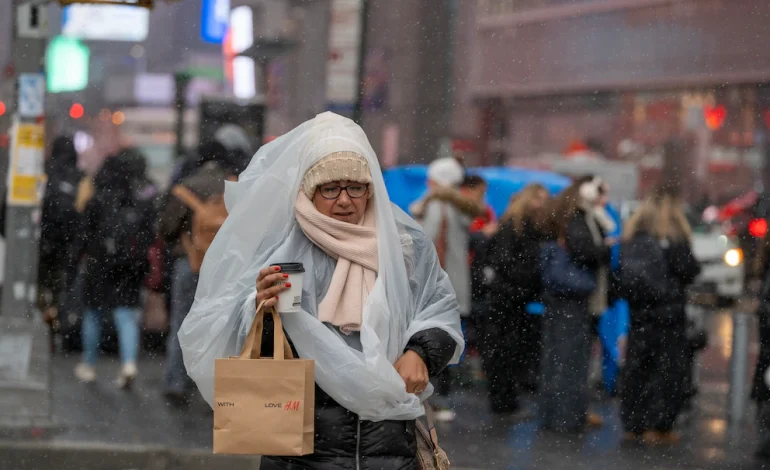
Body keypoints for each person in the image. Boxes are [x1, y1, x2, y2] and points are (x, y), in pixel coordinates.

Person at [178, 113, 463, 469]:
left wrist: (421, 352)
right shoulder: (280, 248)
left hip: (386, 445)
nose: (344, 200)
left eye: (355, 187)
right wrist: (260, 308)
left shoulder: (403, 247)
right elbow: (241, 341)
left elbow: (439, 309)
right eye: (330, 188)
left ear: (370, 189)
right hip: (301, 446)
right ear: (310, 190)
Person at [159, 140, 241, 403]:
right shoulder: (237, 186)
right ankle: (218, 388)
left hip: (190, 263)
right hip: (226, 267)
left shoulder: (186, 187)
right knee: (222, 327)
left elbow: (166, 228)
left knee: (182, 323)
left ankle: (177, 382)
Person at [618, 187, 701, 444]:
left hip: (639, 314)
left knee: (637, 367)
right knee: (667, 371)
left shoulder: (634, 235)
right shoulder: (674, 237)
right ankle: (658, 426)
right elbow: (689, 270)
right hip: (668, 314)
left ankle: (633, 424)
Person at [72, 155, 156, 387]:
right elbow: (148, 236)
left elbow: (83, 236)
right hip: (128, 268)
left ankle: (89, 365)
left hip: (99, 265)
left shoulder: (96, 201)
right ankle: (128, 364)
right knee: (126, 315)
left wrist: (75, 262)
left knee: (93, 314)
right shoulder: (136, 202)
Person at [410, 157, 484, 421]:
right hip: (444, 286)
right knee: (440, 342)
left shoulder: (439, 207)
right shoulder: (452, 207)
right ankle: (436, 399)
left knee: (434, 342)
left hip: (437, 287)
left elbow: (423, 246)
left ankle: (435, 399)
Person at [538, 176, 613, 433]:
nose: (604, 198)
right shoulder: (578, 218)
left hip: (563, 298)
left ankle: (558, 414)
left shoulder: (568, 215)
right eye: (601, 191)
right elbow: (585, 251)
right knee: (570, 360)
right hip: (572, 299)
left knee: (559, 359)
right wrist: (605, 249)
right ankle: (565, 417)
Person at [479, 183, 549, 413]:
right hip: (508, 296)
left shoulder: (520, 226)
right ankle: (503, 401)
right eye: (539, 198)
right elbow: (505, 261)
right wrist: (527, 280)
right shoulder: (515, 227)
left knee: (507, 349)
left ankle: (505, 399)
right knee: (504, 349)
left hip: (511, 295)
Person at [38, 136, 86, 325]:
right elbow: (86, 214)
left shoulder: (42, 172)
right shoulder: (80, 178)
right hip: (68, 247)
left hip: (40, 242)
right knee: (64, 289)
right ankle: (60, 324)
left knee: (39, 285)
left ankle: (42, 317)